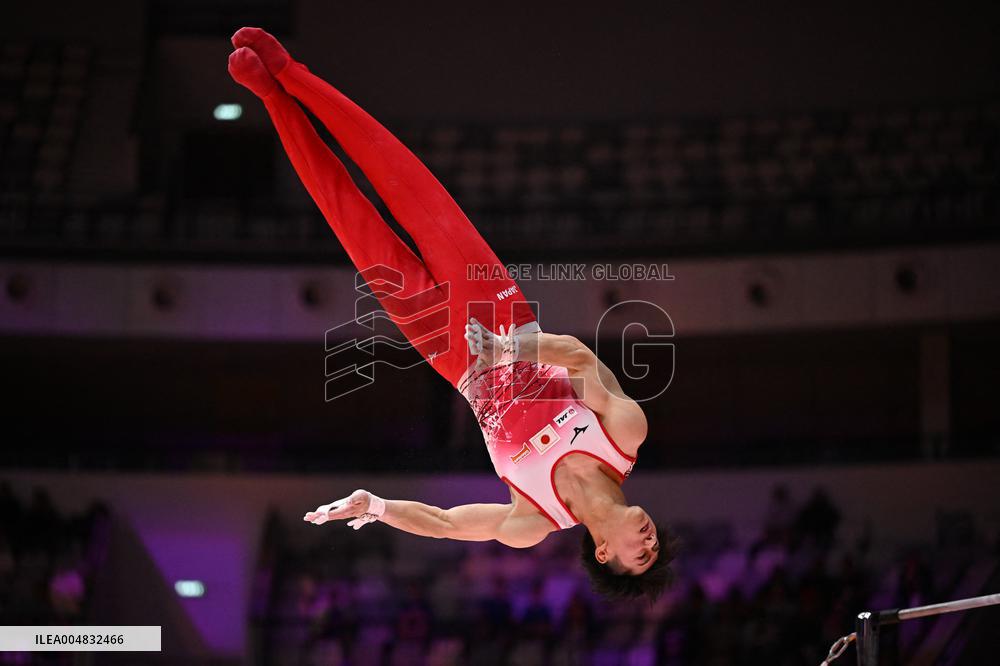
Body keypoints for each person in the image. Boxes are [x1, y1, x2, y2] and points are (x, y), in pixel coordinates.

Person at [227, 27, 675, 601]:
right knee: (407, 186)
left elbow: (444, 522)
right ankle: (292, 75)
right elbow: (578, 356)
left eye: (643, 554)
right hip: (502, 318)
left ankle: (270, 98)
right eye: (656, 542)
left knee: (353, 222)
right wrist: (506, 347)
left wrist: (380, 507)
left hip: (452, 358)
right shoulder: (624, 435)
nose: (650, 538)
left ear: (605, 554)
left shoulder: (530, 520)